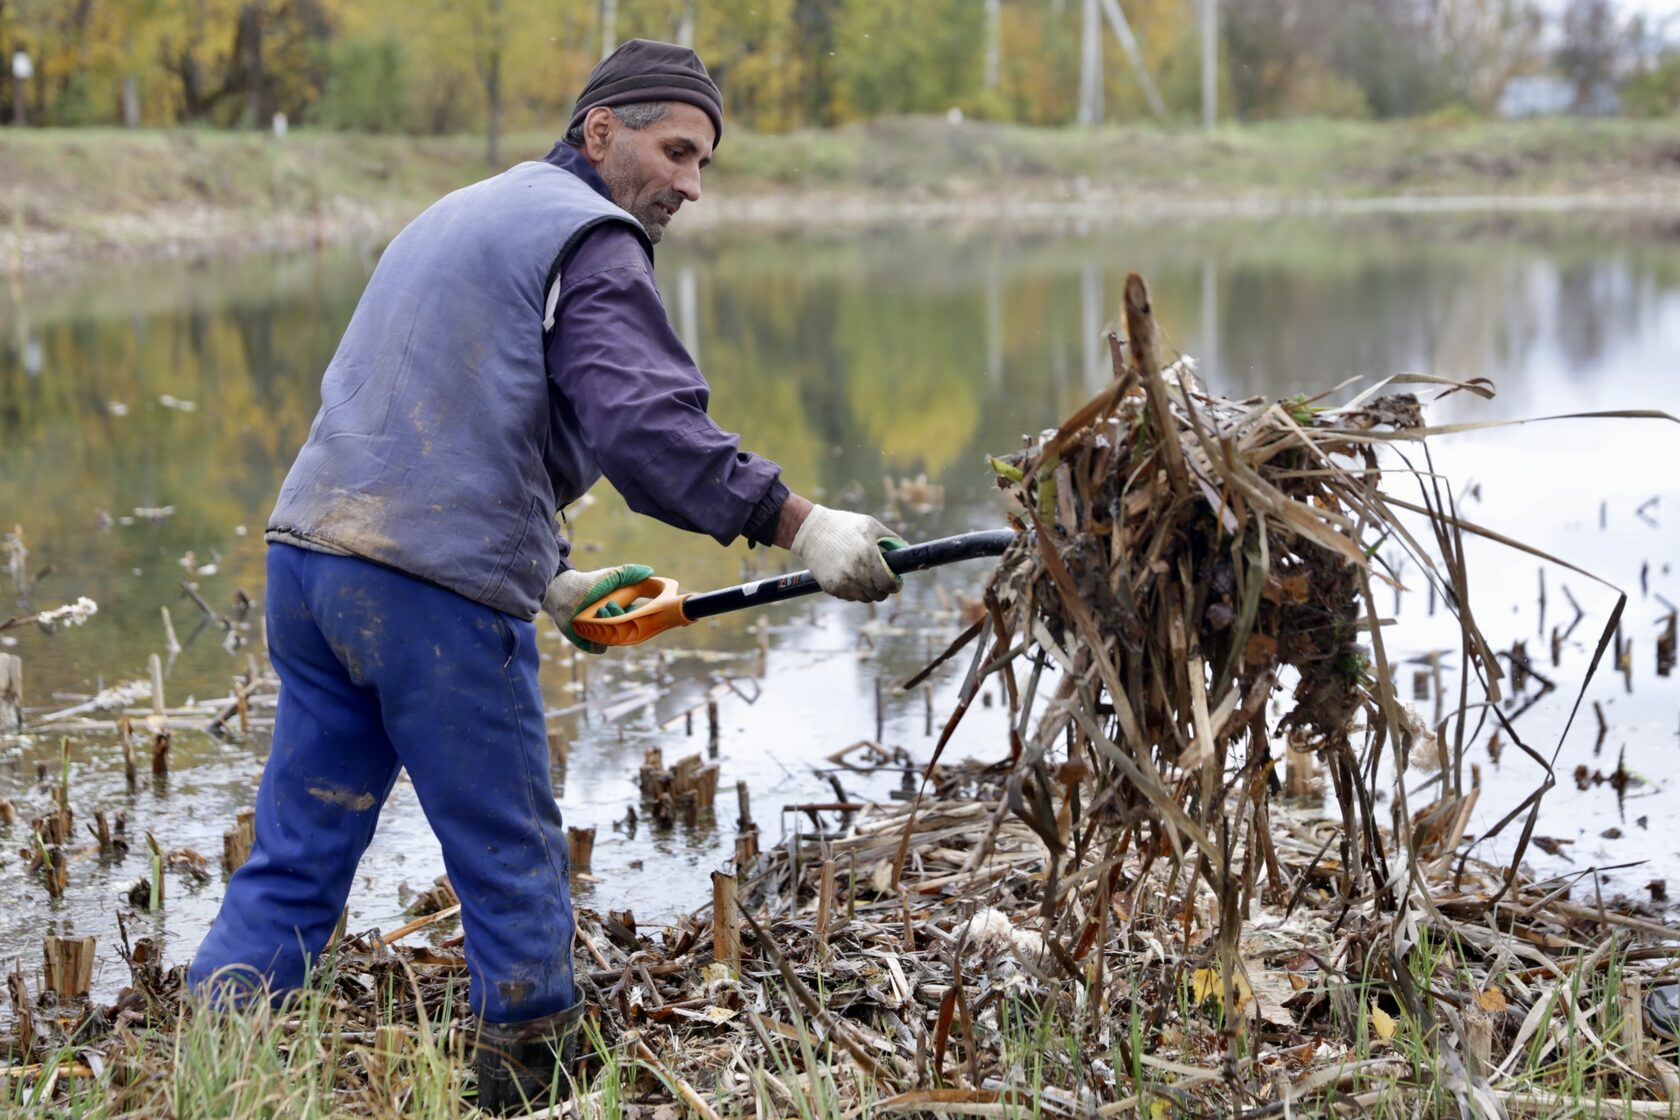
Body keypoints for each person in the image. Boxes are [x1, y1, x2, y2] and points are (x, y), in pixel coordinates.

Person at [187, 38, 903, 1114]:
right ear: (600, 130)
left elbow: (435, 411)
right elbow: (644, 429)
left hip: (311, 564)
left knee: (299, 838)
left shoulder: (467, 210)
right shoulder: (593, 241)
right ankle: (536, 1075)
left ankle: (215, 1060)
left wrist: (550, 572)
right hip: (429, 591)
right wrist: (796, 522)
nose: (689, 184)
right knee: (511, 847)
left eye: (704, 163)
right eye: (675, 151)